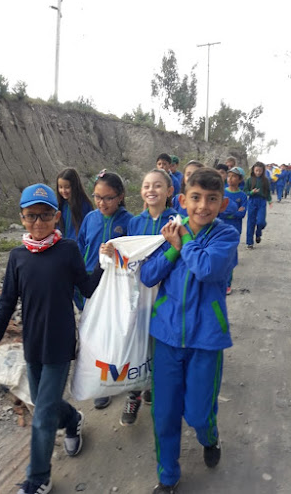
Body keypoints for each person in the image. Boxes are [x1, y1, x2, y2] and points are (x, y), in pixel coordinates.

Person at [0, 183, 104, 494]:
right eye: (31, 216)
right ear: (22, 218)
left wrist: (106, 262)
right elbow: (7, 302)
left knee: (42, 415)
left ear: (56, 217)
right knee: (44, 405)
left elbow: (87, 288)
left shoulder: (68, 250)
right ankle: (73, 419)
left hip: (60, 344)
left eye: (45, 216)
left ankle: (38, 478)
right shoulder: (17, 257)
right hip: (32, 344)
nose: (38, 224)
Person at [140, 167, 240, 494]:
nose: (202, 206)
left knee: (197, 412)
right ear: (182, 200)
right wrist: (171, 246)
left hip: (206, 339)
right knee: (165, 414)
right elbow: (148, 275)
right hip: (167, 337)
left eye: (212, 199)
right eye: (195, 198)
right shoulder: (170, 231)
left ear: (222, 204)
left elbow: (207, 268)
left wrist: (183, 241)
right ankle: (167, 477)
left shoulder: (225, 236)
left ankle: (208, 436)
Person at [120, 169, 178, 426]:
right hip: (139, 296)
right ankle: (134, 394)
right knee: (137, 343)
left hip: (166, 295)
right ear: (141, 191)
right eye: (146, 186)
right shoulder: (135, 222)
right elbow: (130, 256)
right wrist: (112, 250)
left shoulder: (177, 222)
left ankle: (153, 385)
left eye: (157, 185)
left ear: (170, 191)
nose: (151, 190)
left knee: (157, 345)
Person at [78, 169, 133, 410]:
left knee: (112, 332)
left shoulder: (130, 222)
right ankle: (99, 375)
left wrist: (117, 255)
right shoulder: (91, 218)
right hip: (91, 284)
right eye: (97, 197)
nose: (102, 202)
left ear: (120, 196)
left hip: (116, 287)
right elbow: (81, 246)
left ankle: (110, 380)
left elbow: (135, 258)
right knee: (92, 332)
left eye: (108, 197)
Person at [220, 167, 247, 295]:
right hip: (219, 229)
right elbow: (219, 212)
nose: (230, 179)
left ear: (240, 179)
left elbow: (242, 214)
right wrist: (234, 212)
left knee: (230, 257)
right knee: (219, 256)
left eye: (234, 176)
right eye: (229, 176)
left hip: (234, 230)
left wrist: (228, 213)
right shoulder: (221, 193)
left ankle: (227, 284)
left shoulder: (242, 196)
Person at [56, 167, 93, 240]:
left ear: (75, 186)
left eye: (67, 187)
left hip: (77, 248)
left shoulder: (84, 206)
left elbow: (89, 231)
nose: (63, 191)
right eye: (60, 187)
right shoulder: (59, 205)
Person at [244, 161, 272, 249]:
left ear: (263, 171)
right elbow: (245, 192)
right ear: (253, 170)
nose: (258, 172)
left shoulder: (266, 180)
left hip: (262, 202)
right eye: (256, 170)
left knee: (261, 221)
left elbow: (268, 192)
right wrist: (252, 192)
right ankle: (249, 242)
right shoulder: (249, 180)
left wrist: (270, 200)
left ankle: (258, 233)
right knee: (250, 222)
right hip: (252, 201)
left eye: (260, 171)